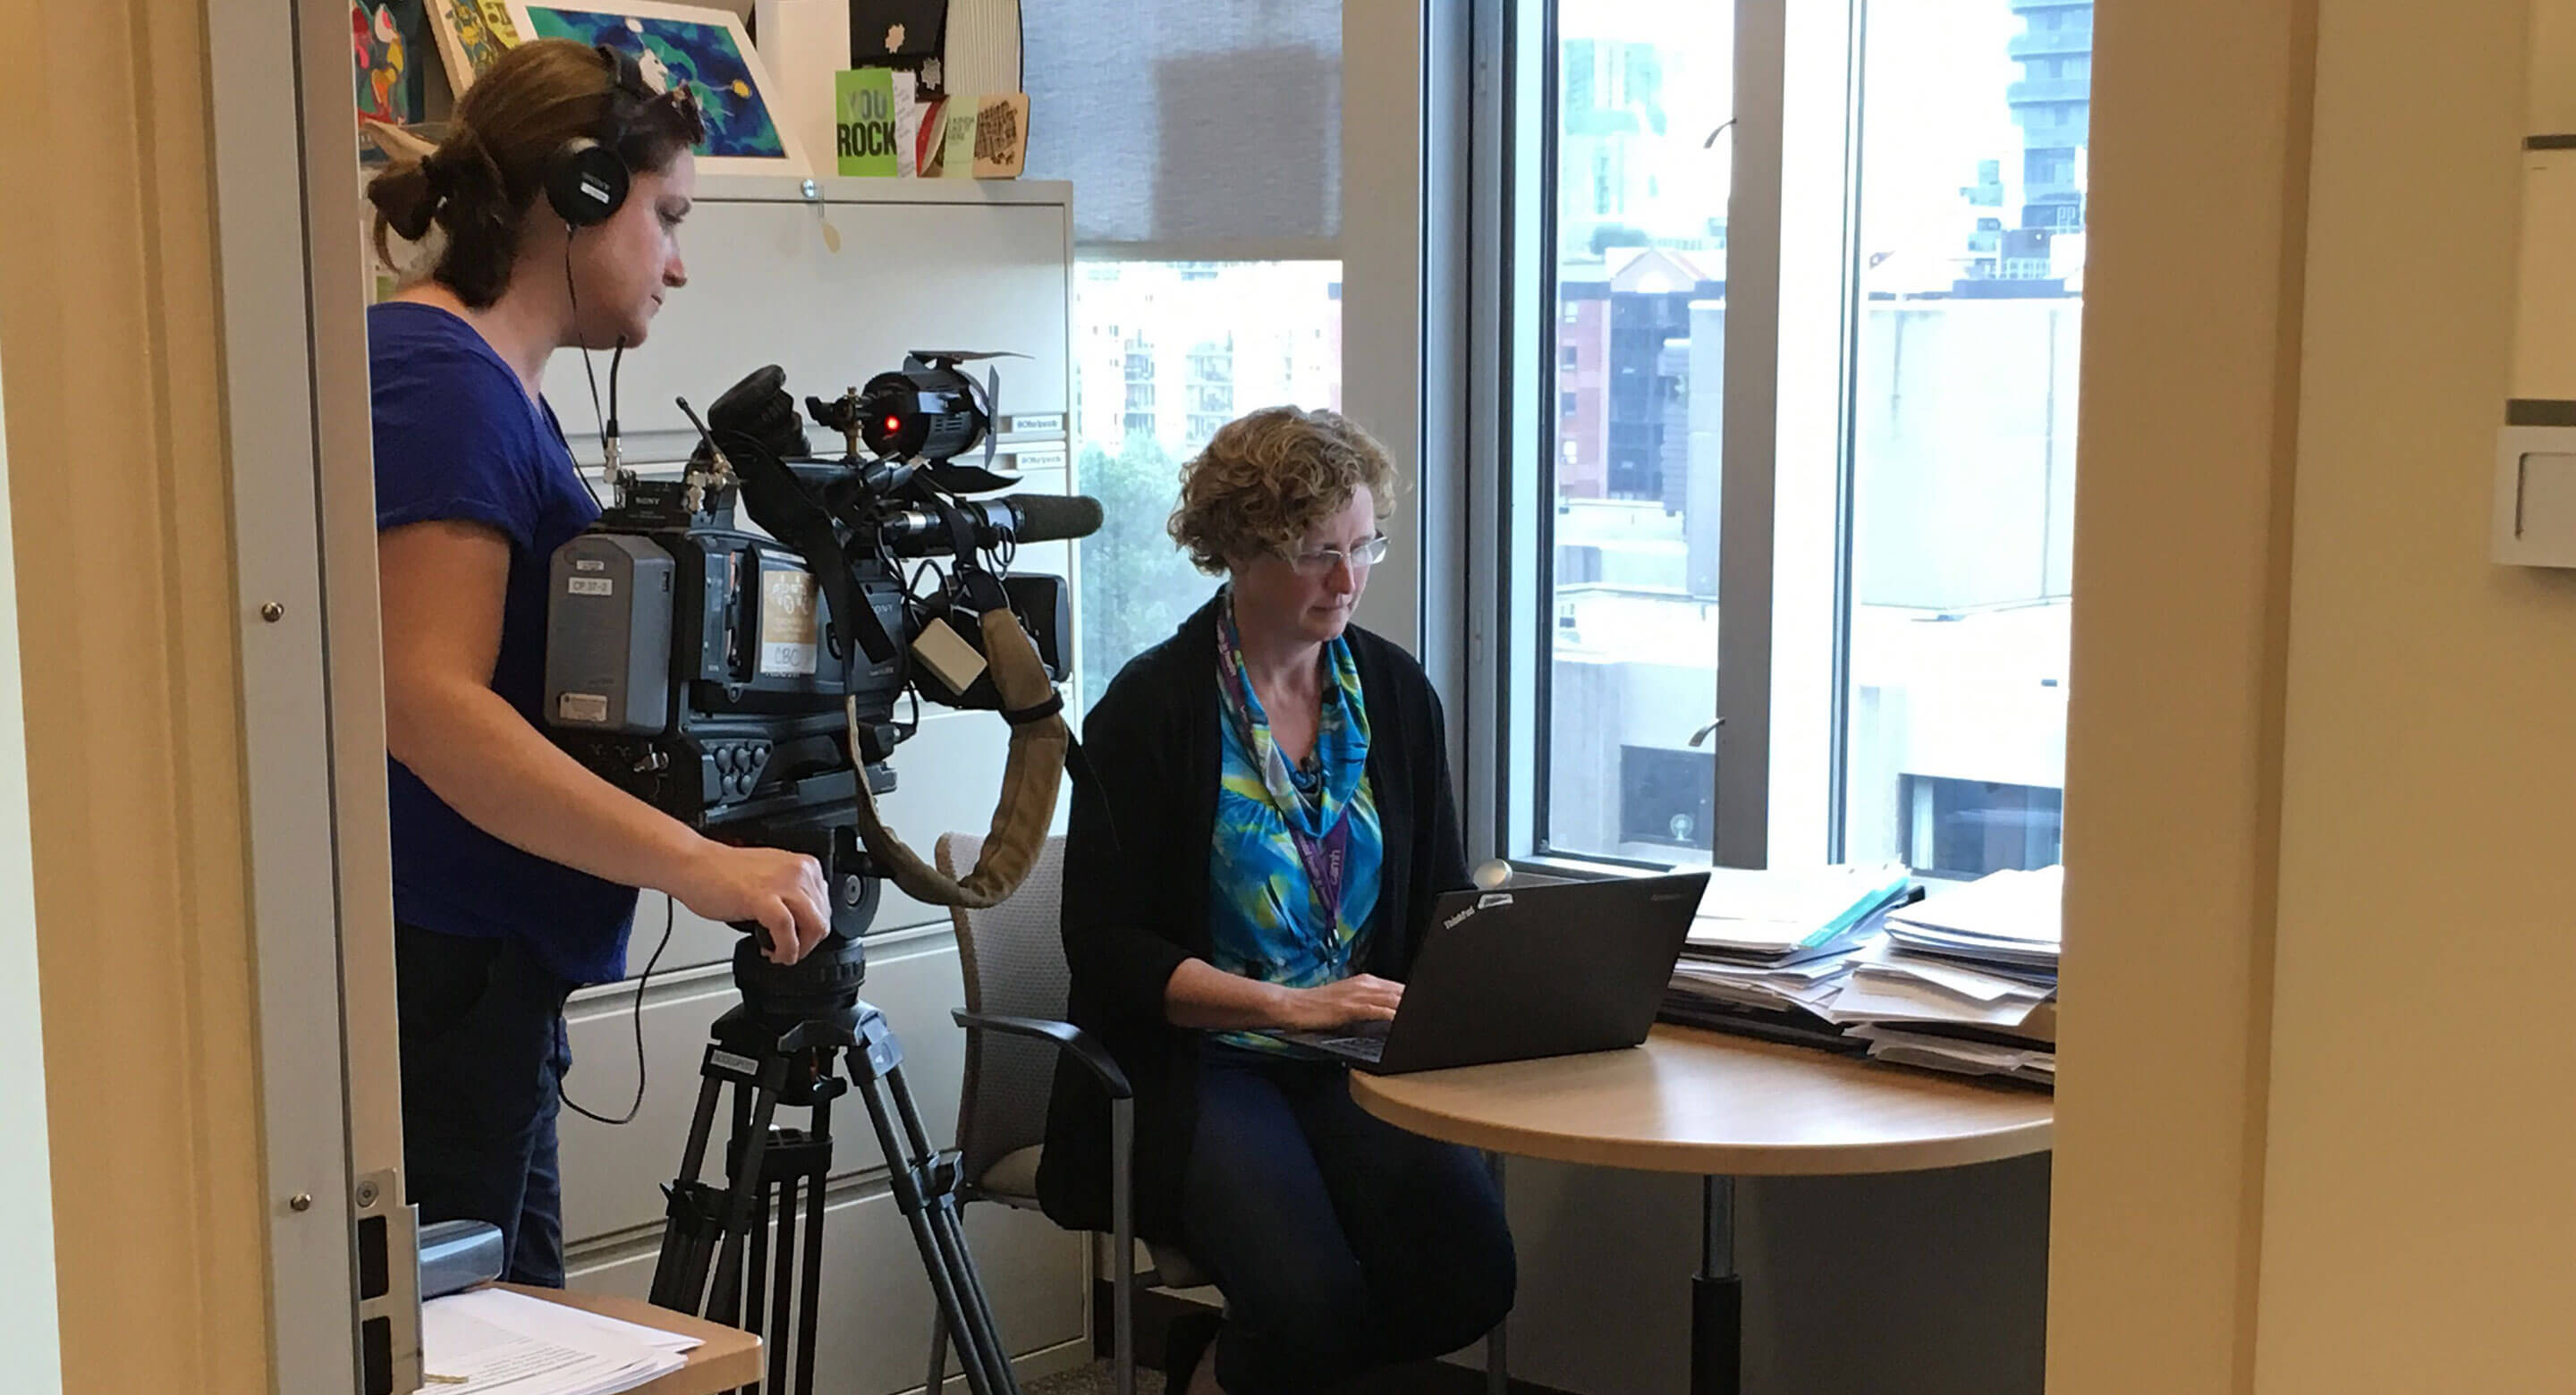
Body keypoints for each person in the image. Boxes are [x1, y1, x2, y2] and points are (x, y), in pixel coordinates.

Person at [364, 38, 833, 1287]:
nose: (678, 263)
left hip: (483, 976)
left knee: (524, 1329)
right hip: (444, 979)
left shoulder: (482, 383)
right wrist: (697, 863)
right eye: (666, 217)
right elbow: (425, 701)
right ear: (579, 195)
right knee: (470, 1344)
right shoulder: (444, 381)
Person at [1038, 408, 1516, 1394]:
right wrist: (1290, 1008)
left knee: (1473, 1278)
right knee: (1307, 1301)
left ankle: (1229, 1369)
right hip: (1201, 1060)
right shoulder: (1152, 709)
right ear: (1242, 550)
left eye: (1364, 546)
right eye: (1317, 554)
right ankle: (1257, 1365)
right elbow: (1108, 947)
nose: (1348, 580)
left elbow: (1441, 896)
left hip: (1355, 1055)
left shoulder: (1394, 693)